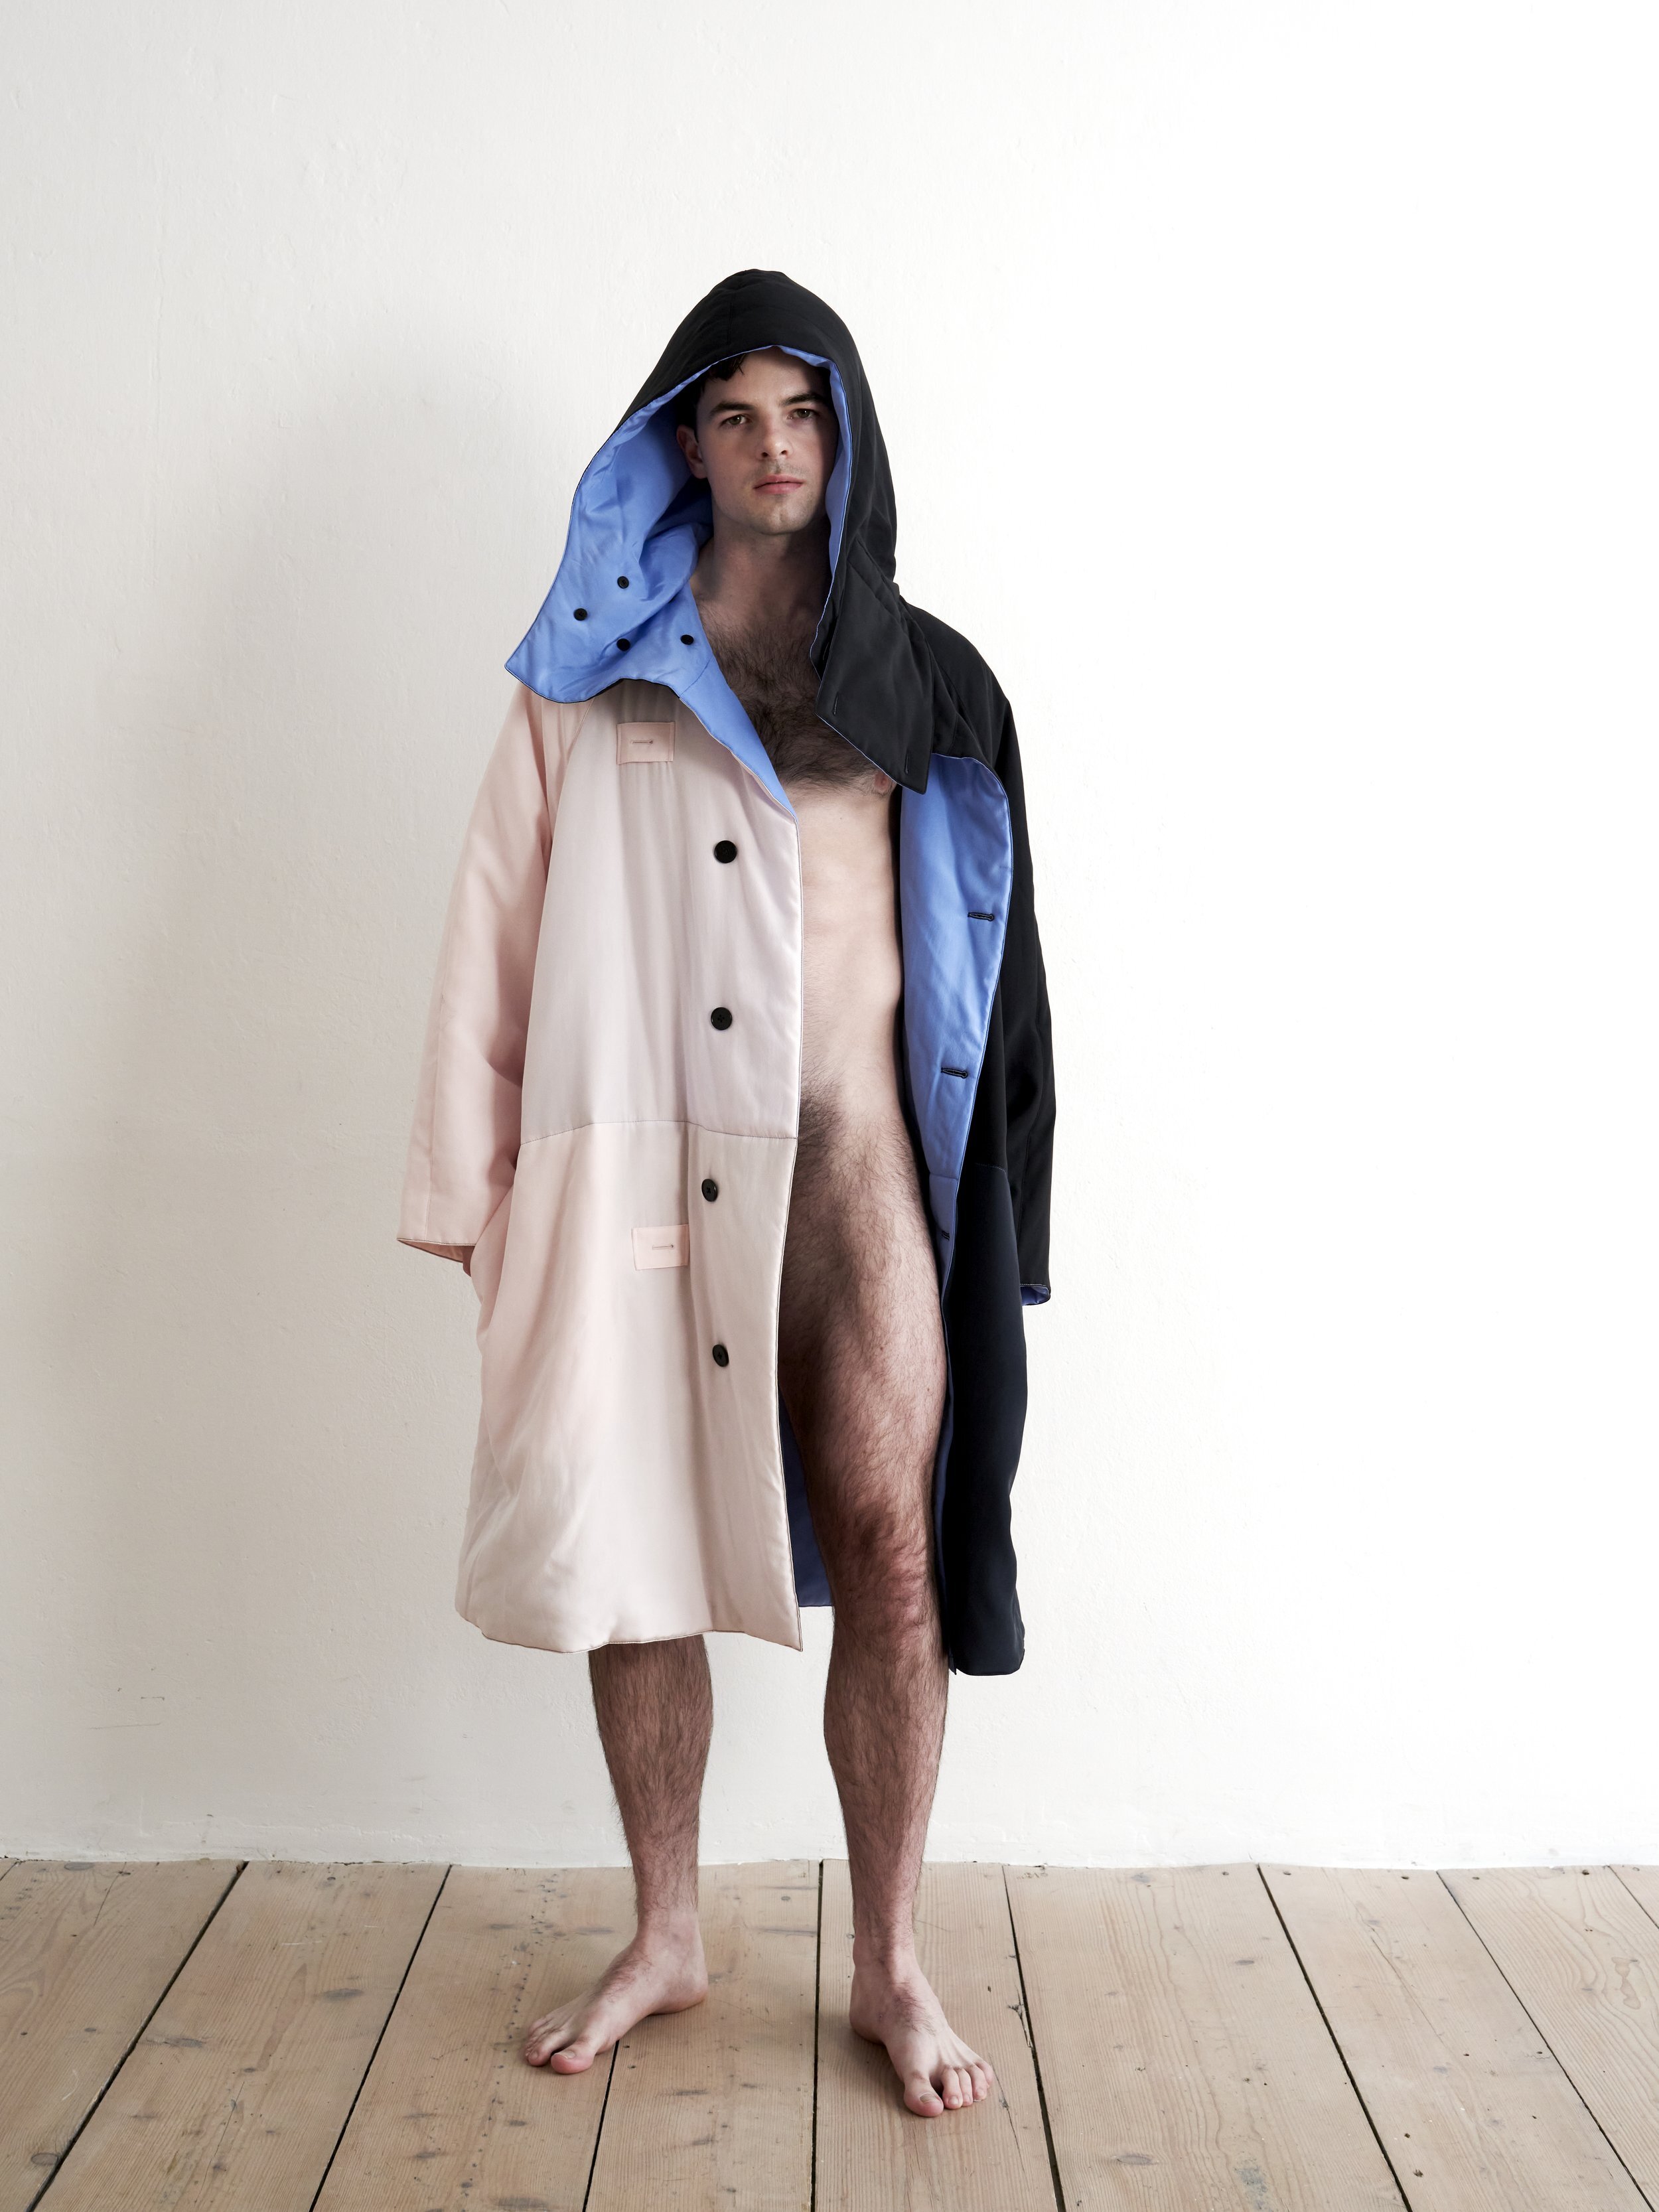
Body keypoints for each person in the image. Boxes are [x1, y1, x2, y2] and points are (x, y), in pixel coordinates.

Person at [397, 271, 1054, 2118]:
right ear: (685, 442)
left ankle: (892, 1959)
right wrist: (478, 1195)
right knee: (634, 1545)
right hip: (642, 1160)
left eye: (805, 412)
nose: (776, 448)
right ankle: (666, 1929)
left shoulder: (932, 683)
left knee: (896, 1545)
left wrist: (1017, 1201)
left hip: (853, 1164)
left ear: (846, 434)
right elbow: (493, 927)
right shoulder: (589, 666)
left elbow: (1006, 972)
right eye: (739, 414)